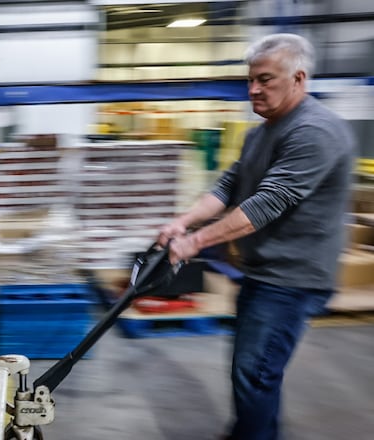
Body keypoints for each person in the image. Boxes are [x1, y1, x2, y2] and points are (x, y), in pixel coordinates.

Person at [157, 33, 356, 440]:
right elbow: (230, 185)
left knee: (255, 370)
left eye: (265, 80)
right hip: (264, 272)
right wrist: (184, 221)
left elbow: (266, 204)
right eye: (251, 80)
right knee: (255, 371)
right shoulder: (261, 132)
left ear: (298, 78)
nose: (253, 89)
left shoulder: (316, 131)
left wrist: (193, 243)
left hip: (293, 279)